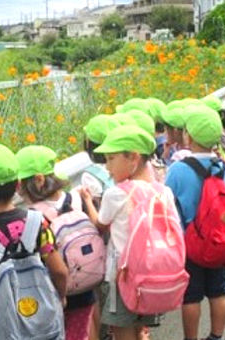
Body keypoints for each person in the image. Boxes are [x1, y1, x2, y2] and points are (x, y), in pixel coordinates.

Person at [0, 143, 68, 340]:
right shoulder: (37, 221)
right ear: (17, 184)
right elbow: (59, 270)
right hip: (41, 318)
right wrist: (61, 296)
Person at [79, 125, 177, 340]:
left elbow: (100, 223)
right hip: (153, 274)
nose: (107, 167)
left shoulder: (116, 194)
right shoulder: (164, 191)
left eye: (111, 159)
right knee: (141, 329)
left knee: (123, 333)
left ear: (133, 157)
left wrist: (87, 201)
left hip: (122, 277)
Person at [165, 105, 225, 340]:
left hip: (190, 243)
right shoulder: (224, 169)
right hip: (218, 240)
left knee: (191, 296)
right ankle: (216, 336)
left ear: (189, 136)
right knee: (219, 292)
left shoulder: (177, 170)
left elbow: (167, 203)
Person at [15, 145, 99, 340]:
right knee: (84, 329)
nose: (17, 190)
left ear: (38, 179)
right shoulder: (76, 199)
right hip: (85, 282)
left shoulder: (33, 217)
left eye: (19, 184)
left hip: (54, 291)